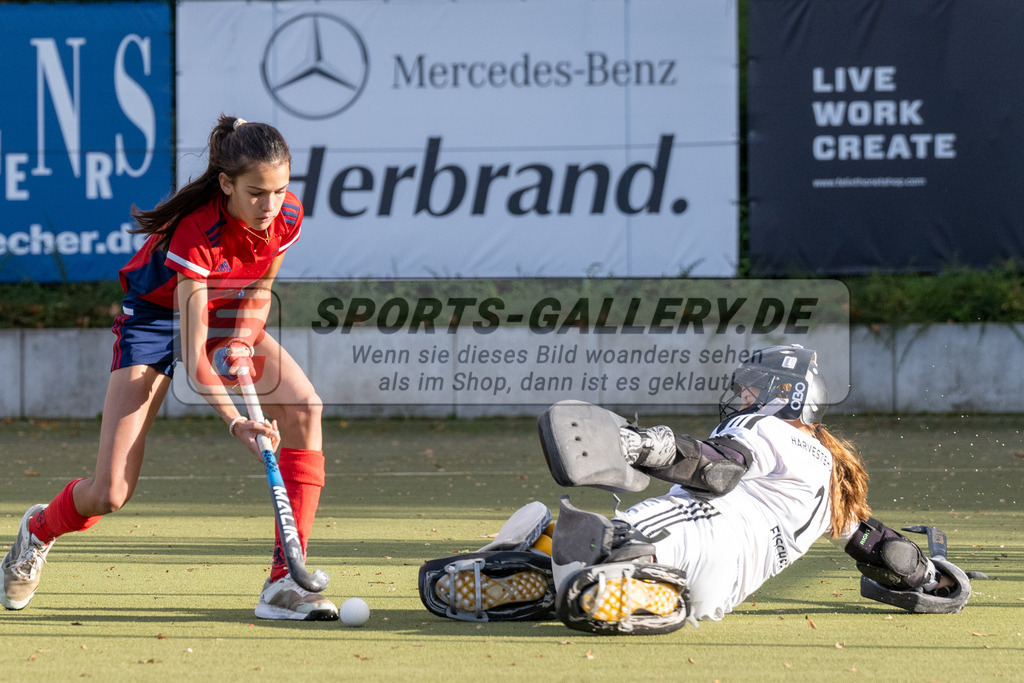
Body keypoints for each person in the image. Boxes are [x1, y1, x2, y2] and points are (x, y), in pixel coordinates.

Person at [2, 115, 337, 621]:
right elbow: (196, 361)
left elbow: (261, 289)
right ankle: (38, 530)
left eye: (279, 190)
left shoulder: (286, 213)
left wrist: (242, 339)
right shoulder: (196, 232)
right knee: (109, 492)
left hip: (226, 309)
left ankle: (284, 581)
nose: (270, 206)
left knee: (305, 408)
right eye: (256, 193)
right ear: (226, 184)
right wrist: (236, 421)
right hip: (155, 319)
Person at [418, 344, 971, 634]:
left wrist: (641, 445)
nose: (742, 397)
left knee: (560, 527)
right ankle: (625, 592)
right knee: (590, 562)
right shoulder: (831, 479)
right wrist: (929, 577)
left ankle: (571, 567)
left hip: (696, 535)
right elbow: (882, 549)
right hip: (715, 596)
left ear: (785, 394)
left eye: (753, 388)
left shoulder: (764, 426)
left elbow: (720, 468)